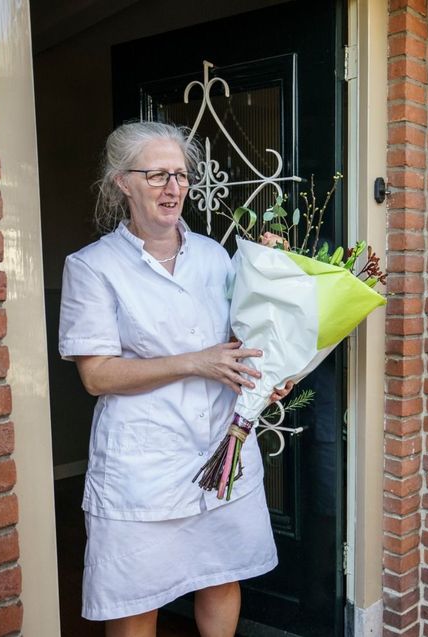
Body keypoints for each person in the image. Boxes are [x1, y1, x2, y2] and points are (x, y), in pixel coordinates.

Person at [59, 121, 287, 636]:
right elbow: (96, 375)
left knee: (222, 579)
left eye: (181, 176)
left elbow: (240, 341)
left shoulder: (214, 256)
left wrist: (267, 375)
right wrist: (194, 362)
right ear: (123, 182)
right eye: (157, 174)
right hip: (143, 464)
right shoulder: (93, 267)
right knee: (137, 601)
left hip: (220, 453)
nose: (173, 187)